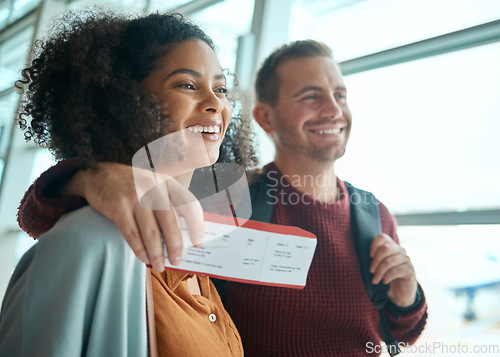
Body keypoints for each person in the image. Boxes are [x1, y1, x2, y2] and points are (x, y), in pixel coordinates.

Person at [13, 40, 427, 356]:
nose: (333, 110)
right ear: (265, 117)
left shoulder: (374, 214)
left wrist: (408, 298)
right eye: (311, 96)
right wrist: (89, 176)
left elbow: (397, 334)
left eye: (340, 94)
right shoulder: (227, 196)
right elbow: (50, 216)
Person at [0, 9, 259, 356]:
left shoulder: (194, 242)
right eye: (187, 84)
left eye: (221, 88)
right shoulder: (91, 239)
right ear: (123, 100)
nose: (216, 104)